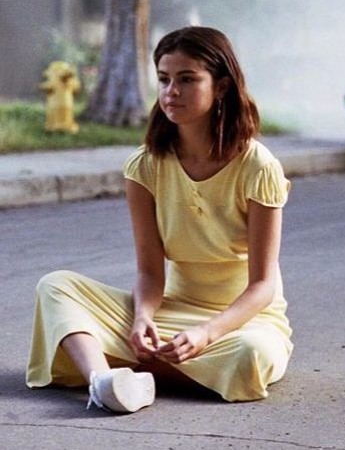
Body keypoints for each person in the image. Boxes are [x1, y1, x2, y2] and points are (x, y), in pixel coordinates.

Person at [26, 26, 293, 412]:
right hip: (173, 311)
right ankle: (103, 383)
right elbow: (150, 273)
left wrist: (206, 333)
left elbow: (263, 286)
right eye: (164, 79)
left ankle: (130, 370)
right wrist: (142, 318)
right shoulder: (145, 165)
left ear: (220, 87)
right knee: (56, 286)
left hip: (240, 321)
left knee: (252, 354)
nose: (171, 91)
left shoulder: (258, 167)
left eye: (187, 79)